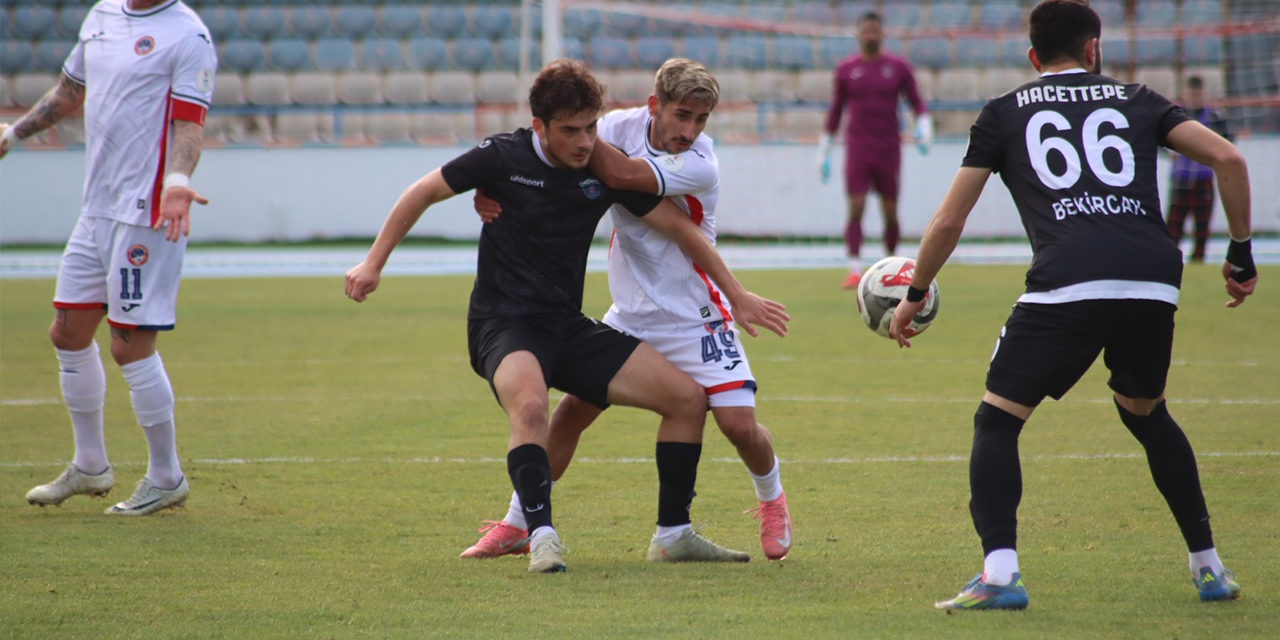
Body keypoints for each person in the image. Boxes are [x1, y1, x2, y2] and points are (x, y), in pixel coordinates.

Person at [343, 59, 790, 574]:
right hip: (524, 319)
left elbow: (665, 216)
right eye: (572, 130)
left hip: (646, 316)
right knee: (543, 408)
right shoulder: (518, 152)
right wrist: (374, 262)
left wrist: (736, 293)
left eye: (590, 129)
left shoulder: (638, 164)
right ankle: (532, 530)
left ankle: (692, 528)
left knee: (707, 410)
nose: (585, 141)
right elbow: (425, 189)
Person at [887, 0, 1257, 610]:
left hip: (1068, 279)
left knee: (997, 421)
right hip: (1152, 280)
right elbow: (1229, 157)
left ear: (1033, 57)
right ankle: (1209, 567)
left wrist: (916, 292)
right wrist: (1240, 254)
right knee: (1146, 414)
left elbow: (949, 219)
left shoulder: (1003, 112)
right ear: (1094, 49)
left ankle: (1000, 576)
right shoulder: (1138, 99)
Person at [2, 0, 216, 516]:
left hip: (145, 212)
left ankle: (166, 477)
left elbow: (190, 123)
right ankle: (90, 464)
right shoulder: (101, 16)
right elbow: (69, 92)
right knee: (68, 333)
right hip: (96, 207)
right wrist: (12, 133)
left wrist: (178, 183)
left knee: (129, 346)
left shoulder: (188, 35)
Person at [817, 11, 932, 289]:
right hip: (858, 148)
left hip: (888, 148)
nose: (870, 36)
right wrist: (825, 148)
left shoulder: (898, 67)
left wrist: (924, 125)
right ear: (858, 34)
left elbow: (916, 101)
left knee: (890, 211)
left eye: (875, 31)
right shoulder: (846, 69)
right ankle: (854, 268)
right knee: (856, 207)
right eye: (866, 30)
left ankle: (890, 265)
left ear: (882, 34)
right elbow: (836, 110)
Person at [1167, 75, 1232, 263]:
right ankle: (1170, 260)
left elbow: (1228, 142)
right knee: (1174, 225)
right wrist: (1168, 151)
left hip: (1203, 178)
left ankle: (1198, 261)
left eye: (1197, 94)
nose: (1194, 97)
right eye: (1191, 93)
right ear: (1185, 93)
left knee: (1202, 226)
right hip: (1180, 178)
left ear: (1202, 94)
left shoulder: (1214, 116)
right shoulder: (1174, 113)